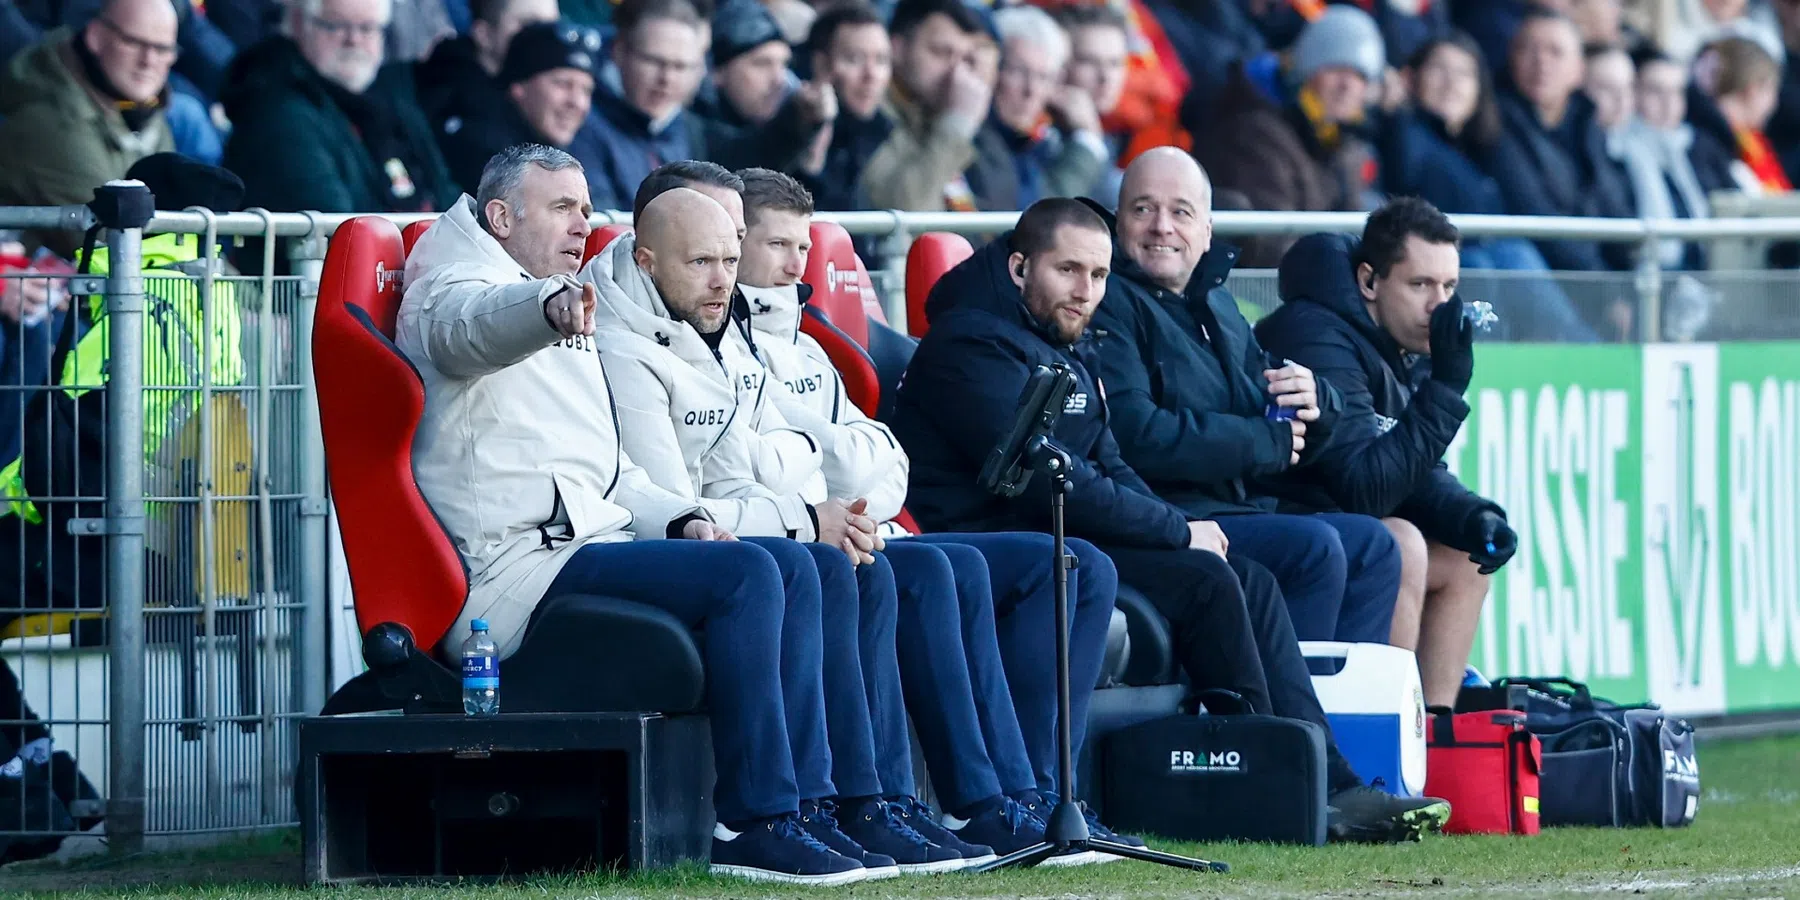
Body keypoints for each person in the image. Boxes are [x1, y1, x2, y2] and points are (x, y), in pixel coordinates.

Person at [889, 196, 1453, 844]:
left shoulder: (1061, 343)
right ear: (1020, 268)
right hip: (1002, 540)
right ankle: (1253, 784)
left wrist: (1177, 525)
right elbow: (1041, 482)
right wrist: (1174, 529)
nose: (1086, 291)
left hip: (1066, 532)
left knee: (1240, 576)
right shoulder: (970, 344)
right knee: (1200, 576)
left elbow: (1108, 463)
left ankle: (1314, 779)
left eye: (1099, 276)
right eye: (1068, 271)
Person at [396, 143, 862, 885]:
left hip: (582, 544)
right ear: (499, 216)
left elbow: (612, 475)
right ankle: (752, 823)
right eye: (562, 207)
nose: (584, 223)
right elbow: (471, 327)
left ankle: (818, 810)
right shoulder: (454, 286)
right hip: (513, 576)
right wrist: (545, 311)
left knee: (805, 563)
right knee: (745, 576)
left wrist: (680, 520)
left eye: (586, 207)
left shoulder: (557, 288)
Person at [583, 175, 1056, 871]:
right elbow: (685, 498)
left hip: (786, 521)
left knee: (946, 561)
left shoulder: (745, 329)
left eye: (733, 247)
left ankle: (933, 800)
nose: (729, 273)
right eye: (711, 254)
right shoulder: (632, 343)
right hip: (689, 542)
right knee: (838, 563)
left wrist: (809, 493)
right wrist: (806, 508)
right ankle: (821, 809)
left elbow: (875, 469)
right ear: (650, 251)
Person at [732, 166, 1139, 851]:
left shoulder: (805, 339)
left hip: (864, 518)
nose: (796, 264)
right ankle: (968, 802)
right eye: (777, 246)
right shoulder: (729, 337)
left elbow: (884, 462)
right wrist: (832, 471)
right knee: (936, 570)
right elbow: (768, 459)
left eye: (804, 247)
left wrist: (841, 469)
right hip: (805, 532)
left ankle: (1043, 792)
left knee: (1078, 563)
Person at [1084, 147, 1404, 650]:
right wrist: (1266, 440)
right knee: (1314, 548)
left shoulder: (1219, 304)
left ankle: (1341, 716)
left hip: (1238, 506)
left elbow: (1271, 412)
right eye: (1143, 209)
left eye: (1180, 212)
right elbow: (1134, 434)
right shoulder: (1106, 303)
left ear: (1206, 229)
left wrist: (1315, 405)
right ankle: (1289, 721)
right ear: (1119, 223)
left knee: (1374, 545)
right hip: (1166, 513)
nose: (1161, 226)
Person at [1254, 198, 1518, 709]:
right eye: (1420, 285)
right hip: (1278, 520)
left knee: (1466, 558)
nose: (1439, 307)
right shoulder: (1315, 334)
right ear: (1370, 282)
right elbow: (1364, 487)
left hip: (1333, 520)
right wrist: (1446, 386)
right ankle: (1387, 737)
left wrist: (1473, 517)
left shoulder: (1400, 341)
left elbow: (1413, 469)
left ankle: (1436, 737)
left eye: (1449, 288)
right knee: (1399, 541)